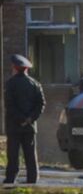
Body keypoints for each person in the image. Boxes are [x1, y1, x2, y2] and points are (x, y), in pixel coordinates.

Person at [4, 54, 45, 184]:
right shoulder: (35, 84)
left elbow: (9, 105)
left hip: (14, 126)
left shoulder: (10, 84)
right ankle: (32, 179)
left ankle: (11, 179)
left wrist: (20, 118)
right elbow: (41, 103)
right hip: (30, 126)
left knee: (13, 155)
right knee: (31, 155)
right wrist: (30, 118)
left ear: (15, 67)